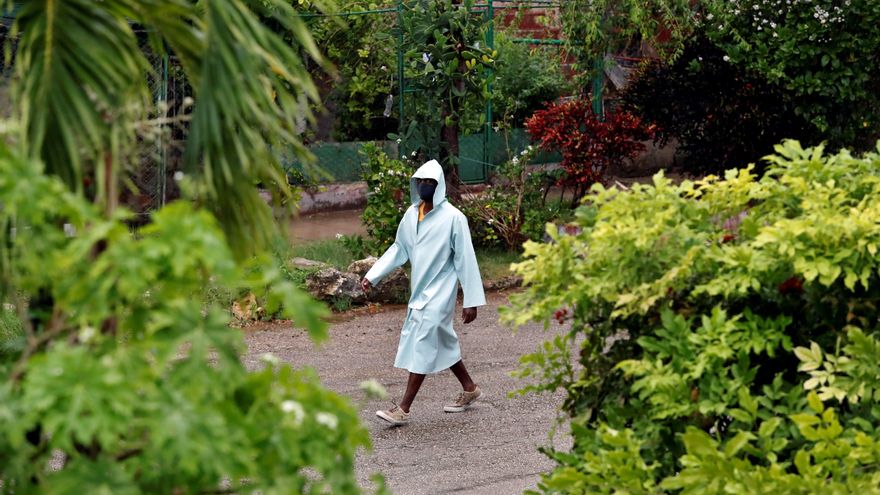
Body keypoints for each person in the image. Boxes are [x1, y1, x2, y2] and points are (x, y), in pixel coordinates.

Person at [361, 158, 486, 426]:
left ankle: (403, 408)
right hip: (420, 290)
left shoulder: (454, 218)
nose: (425, 186)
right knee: (441, 341)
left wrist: (471, 301)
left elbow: (466, 259)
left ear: (439, 186)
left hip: (441, 291)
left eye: (431, 183)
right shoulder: (411, 214)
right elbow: (399, 249)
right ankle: (469, 387)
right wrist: (373, 275)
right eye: (421, 182)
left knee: (424, 341)